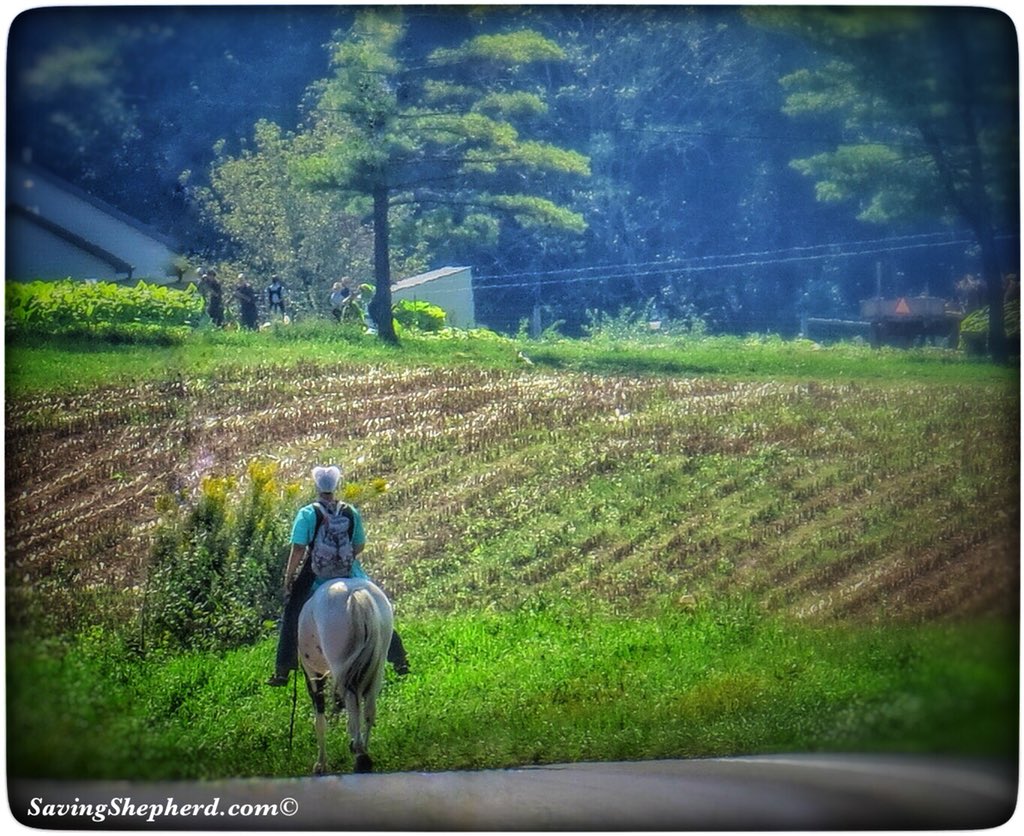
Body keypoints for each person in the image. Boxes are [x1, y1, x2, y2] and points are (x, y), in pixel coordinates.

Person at [267, 465, 409, 686]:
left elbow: (298, 549)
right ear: (335, 487)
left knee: (292, 612)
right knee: (374, 609)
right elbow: (359, 544)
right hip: (348, 571)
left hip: (316, 574)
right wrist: (342, 556)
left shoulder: (307, 513)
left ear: (317, 487)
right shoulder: (350, 512)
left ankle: (282, 670)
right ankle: (399, 657)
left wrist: (289, 578)